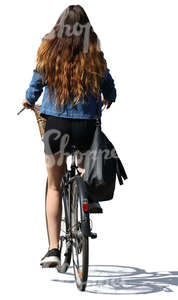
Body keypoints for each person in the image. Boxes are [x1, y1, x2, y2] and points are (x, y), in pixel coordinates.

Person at [22, 5, 117, 268]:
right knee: (85, 161)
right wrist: (108, 97)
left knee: (54, 185)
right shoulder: (94, 54)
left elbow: (35, 85)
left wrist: (28, 101)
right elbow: (108, 86)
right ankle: (86, 194)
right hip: (86, 127)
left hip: (56, 127)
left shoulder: (48, 51)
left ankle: (53, 249)